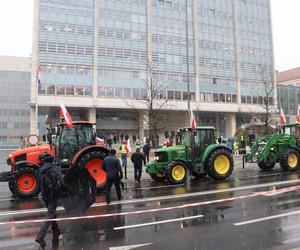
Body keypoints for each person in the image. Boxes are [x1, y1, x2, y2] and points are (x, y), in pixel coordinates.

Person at [35, 154, 65, 249]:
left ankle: (55, 230)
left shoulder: (41, 169)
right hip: (53, 194)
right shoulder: (55, 168)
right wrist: (64, 189)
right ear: (52, 161)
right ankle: (40, 236)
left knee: (51, 212)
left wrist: (41, 193)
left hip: (45, 195)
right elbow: (62, 181)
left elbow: (39, 183)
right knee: (51, 214)